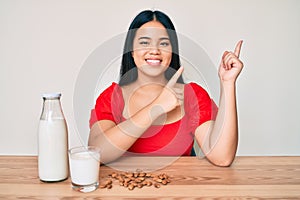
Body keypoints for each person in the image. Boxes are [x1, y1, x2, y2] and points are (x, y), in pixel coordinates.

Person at [88, 10, 244, 167]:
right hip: (127, 189)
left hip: (180, 189)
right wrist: (156, 108)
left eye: (163, 43)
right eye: (144, 42)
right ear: (132, 51)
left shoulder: (192, 95)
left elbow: (222, 157)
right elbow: (97, 153)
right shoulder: (112, 97)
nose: (155, 50)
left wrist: (227, 83)